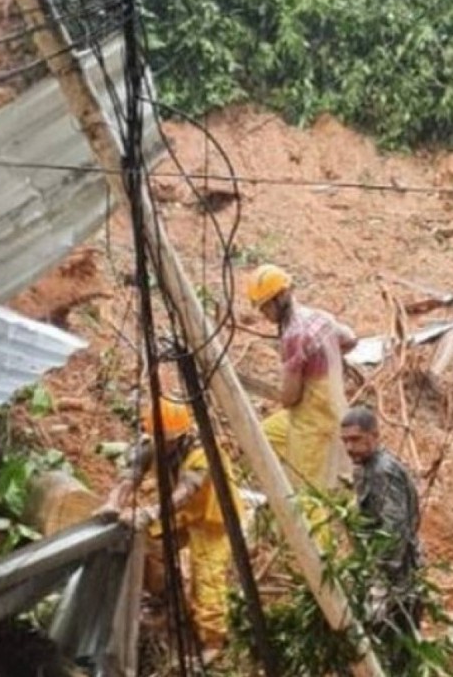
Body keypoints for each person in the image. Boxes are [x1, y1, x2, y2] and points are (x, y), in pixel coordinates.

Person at [101, 397, 241, 658]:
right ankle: (169, 598)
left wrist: (152, 511)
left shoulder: (202, 451)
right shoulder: (153, 444)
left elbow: (185, 492)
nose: (157, 442)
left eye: (162, 438)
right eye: (155, 436)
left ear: (177, 436)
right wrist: (113, 502)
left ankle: (213, 642)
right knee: (148, 543)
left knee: (207, 576)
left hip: (213, 515)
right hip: (182, 514)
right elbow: (131, 474)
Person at [247, 264, 357, 493]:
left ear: (281, 297)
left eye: (266, 306)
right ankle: (278, 485)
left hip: (313, 421)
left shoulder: (292, 336)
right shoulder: (319, 316)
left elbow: (290, 398)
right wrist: (324, 360)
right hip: (332, 407)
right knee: (264, 434)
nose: (265, 314)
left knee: (310, 490)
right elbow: (350, 338)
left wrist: (289, 384)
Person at [340, 406, 424, 671]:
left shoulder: (382, 471)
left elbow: (394, 530)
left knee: (397, 651)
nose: (349, 447)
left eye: (355, 439)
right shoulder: (364, 467)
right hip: (380, 573)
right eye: (345, 441)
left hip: (397, 581)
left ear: (374, 436)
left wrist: (382, 584)